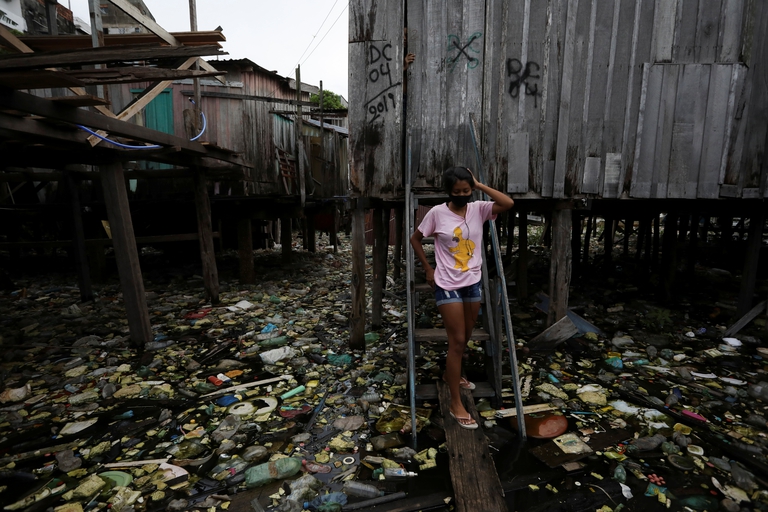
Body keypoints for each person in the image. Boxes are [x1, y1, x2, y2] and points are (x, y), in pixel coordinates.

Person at [410, 167, 514, 429]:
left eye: (466, 191)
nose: (462, 195)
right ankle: (456, 402)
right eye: (457, 192)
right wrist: (428, 268)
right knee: (457, 341)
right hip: (446, 283)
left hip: (472, 281)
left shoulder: (479, 208)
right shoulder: (436, 213)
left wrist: (479, 184)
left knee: (466, 335)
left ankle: (449, 374)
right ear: (448, 192)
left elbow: (508, 203)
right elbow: (415, 238)